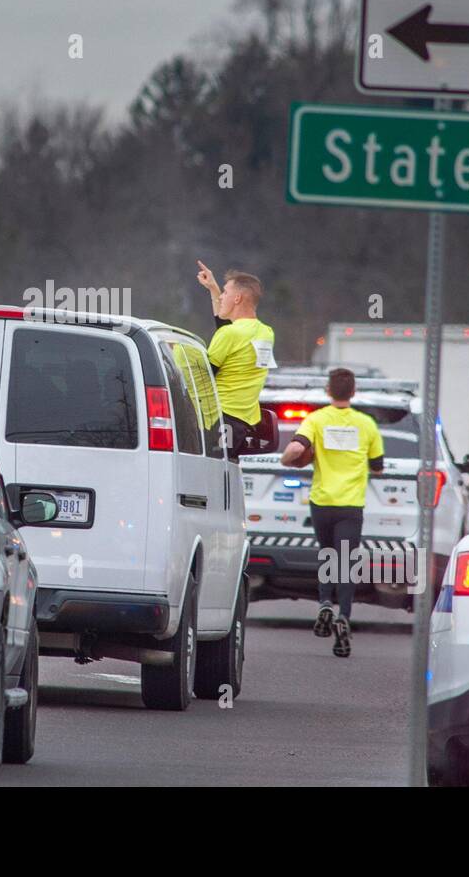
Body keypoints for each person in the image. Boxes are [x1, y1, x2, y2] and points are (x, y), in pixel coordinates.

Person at [279, 367, 384, 658]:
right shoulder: (366, 424)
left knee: (328, 554)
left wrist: (290, 462)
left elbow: (293, 451)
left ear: (328, 391)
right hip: (350, 505)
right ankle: (344, 616)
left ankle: (325, 602)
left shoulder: (316, 419)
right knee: (346, 561)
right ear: (353, 392)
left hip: (322, 502)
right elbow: (377, 465)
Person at [195, 261, 275, 460]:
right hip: (242, 425)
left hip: (217, 420)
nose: (221, 297)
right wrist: (213, 289)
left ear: (237, 298)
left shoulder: (230, 334)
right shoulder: (266, 333)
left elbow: (204, 378)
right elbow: (227, 331)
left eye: (225, 292)